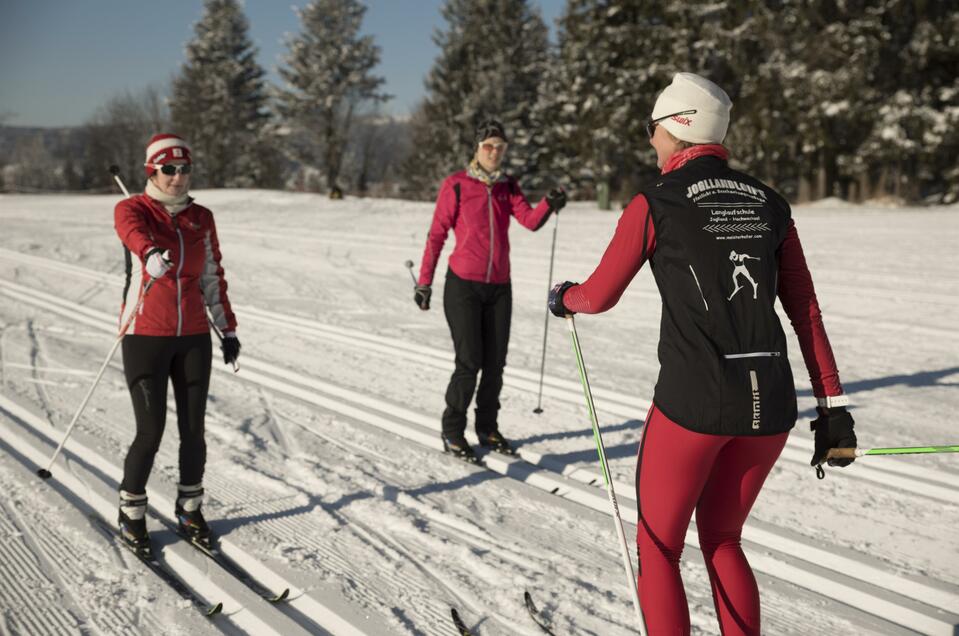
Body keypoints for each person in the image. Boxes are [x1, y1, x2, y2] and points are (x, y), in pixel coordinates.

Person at [547, 73, 857, 635]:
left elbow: (598, 296)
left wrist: (564, 297)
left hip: (692, 404)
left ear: (677, 128)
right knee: (723, 540)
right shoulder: (771, 203)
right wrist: (833, 406)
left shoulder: (655, 201)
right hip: (770, 408)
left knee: (659, 546)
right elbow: (805, 310)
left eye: (653, 128)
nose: (650, 141)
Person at [113, 133, 241, 555]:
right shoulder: (133, 208)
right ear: (152, 170)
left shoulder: (201, 217)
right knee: (150, 430)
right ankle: (132, 509)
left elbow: (211, 277)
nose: (178, 177)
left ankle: (190, 507)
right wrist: (149, 252)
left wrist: (229, 329)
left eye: (184, 168)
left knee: (193, 429)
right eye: (169, 169)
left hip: (192, 338)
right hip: (145, 333)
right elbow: (130, 232)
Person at [415, 119, 567, 462]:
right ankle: (453, 431)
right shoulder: (456, 185)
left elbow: (528, 220)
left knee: (495, 363)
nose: (495, 153)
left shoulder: (507, 187)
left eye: (500, 147)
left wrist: (549, 203)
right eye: (489, 147)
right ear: (477, 148)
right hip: (463, 286)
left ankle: (487, 428)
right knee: (469, 363)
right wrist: (425, 282)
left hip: (499, 287)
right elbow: (436, 236)